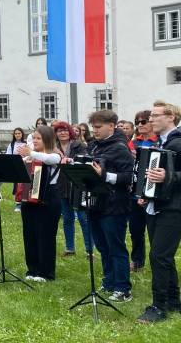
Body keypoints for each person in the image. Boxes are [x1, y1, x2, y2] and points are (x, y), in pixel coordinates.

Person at [137, 101, 181, 323]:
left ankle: (159, 306)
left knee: (158, 256)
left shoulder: (178, 142)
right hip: (158, 205)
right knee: (164, 256)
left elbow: (171, 175)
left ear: (171, 117)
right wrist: (146, 192)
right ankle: (173, 301)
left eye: (155, 115)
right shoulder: (160, 142)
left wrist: (169, 176)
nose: (150, 119)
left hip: (174, 207)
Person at [87, 109, 135, 302]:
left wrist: (104, 175)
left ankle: (123, 288)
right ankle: (109, 281)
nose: (95, 130)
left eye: (98, 127)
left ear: (111, 126)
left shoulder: (120, 148)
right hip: (96, 203)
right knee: (102, 246)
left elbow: (129, 177)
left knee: (116, 247)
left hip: (114, 205)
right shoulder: (94, 146)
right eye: (93, 127)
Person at [18, 126, 62, 282]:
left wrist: (31, 153)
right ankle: (32, 269)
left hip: (49, 199)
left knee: (45, 235)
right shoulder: (31, 156)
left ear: (47, 140)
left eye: (39, 138)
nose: (35, 141)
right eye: (34, 138)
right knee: (29, 234)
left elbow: (49, 160)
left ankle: (46, 272)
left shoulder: (55, 155)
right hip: (29, 199)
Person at [53, 121, 91, 257]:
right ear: (56, 134)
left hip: (78, 185)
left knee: (83, 218)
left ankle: (89, 250)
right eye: (59, 131)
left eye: (65, 130)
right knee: (67, 218)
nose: (62, 133)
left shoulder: (78, 145)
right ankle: (70, 248)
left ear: (70, 132)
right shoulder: (54, 147)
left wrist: (67, 159)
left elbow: (85, 161)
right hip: (62, 186)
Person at [129, 110, 159, 272]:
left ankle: (157, 262)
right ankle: (137, 261)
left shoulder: (159, 141)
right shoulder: (133, 143)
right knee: (135, 229)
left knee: (155, 231)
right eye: (137, 122)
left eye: (143, 121)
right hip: (135, 191)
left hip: (153, 191)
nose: (139, 125)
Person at [7, 127, 25, 212]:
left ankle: (24, 202)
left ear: (22, 134)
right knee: (16, 185)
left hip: (25, 166)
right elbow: (8, 155)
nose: (17, 135)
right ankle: (18, 203)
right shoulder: (11, 145)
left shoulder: (26, 144)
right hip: (15, 167)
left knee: (24, 185)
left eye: (19, 133)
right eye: (16, 134)